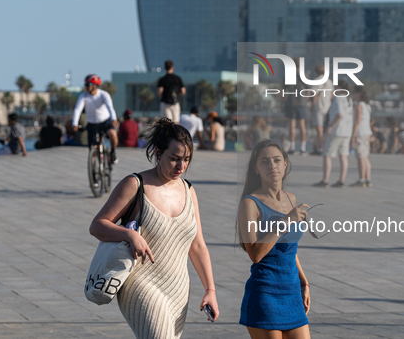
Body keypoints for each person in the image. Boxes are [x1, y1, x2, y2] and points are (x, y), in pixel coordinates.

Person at [89, 118, 219, 337]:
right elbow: (97, 226)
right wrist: (129, 234)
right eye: (174, 158)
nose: (181, 166)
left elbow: (197, 246)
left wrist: (210, 290)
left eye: (186, 159)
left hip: (178, 288)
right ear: (158, 154)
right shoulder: (135, 184)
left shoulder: (189, 191)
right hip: (141, 283)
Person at [237, 140, 311, 338]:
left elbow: (289, 249)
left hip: (292, 291)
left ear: (285, 164)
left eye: (277, 160)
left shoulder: (290, 199)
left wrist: (304, 282)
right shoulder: (249, 203)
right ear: (256, 168)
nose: (272, 165)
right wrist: (285, 222)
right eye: (265, 161)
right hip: (265, 293)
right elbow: (255, 253)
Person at [313, 80, 353, 188]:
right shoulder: (349, 99)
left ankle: (325, 180)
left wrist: (330, 126)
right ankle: (341, 180)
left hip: (336, 131)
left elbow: (339, 114)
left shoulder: (339, 98)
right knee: (343, 156)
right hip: (347, 131)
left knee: (327, 155)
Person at [72, 74, 119, 163]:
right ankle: (94, 172)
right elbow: (77, 110)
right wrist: (74, 124)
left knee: (112, 133)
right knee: (92, 148)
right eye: (85, 84)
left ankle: (113, 152)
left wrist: (114, 119)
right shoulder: (83, 96)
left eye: (88, 84)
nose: (86, 86)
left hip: (105, 121)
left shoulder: (103, 95)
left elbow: (110, 107)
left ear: (95, 85)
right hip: (92, 124)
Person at [285, 58, 309, 155]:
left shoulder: (288, 74)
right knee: (302, 126)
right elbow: (308, 89)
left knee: (292, 126)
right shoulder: (304, 75)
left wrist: (283, 102)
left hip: (291, 102)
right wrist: (305, 99)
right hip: (301, 103)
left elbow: (284, 90)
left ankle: (293, 147)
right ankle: (303, 148)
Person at [350, 86, 373, 187]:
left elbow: (357, 121)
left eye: (354, 93)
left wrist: (353, 136)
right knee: (365, 157)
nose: (352, 95)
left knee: (360, 157)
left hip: (360, 133)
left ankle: (361, 179)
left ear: (358, 94)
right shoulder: (367, 105)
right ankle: (368, 179)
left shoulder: (359, 105)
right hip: (367, 132)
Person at [310, 64, 333, 155]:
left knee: (319, 130)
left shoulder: (316, 81)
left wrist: (312, 106)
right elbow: (332, 94)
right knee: (325, 129)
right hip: (328, 108)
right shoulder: (329, 81)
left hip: (319, 108)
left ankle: (319, 148)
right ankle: (323, 146)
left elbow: (314, 95)